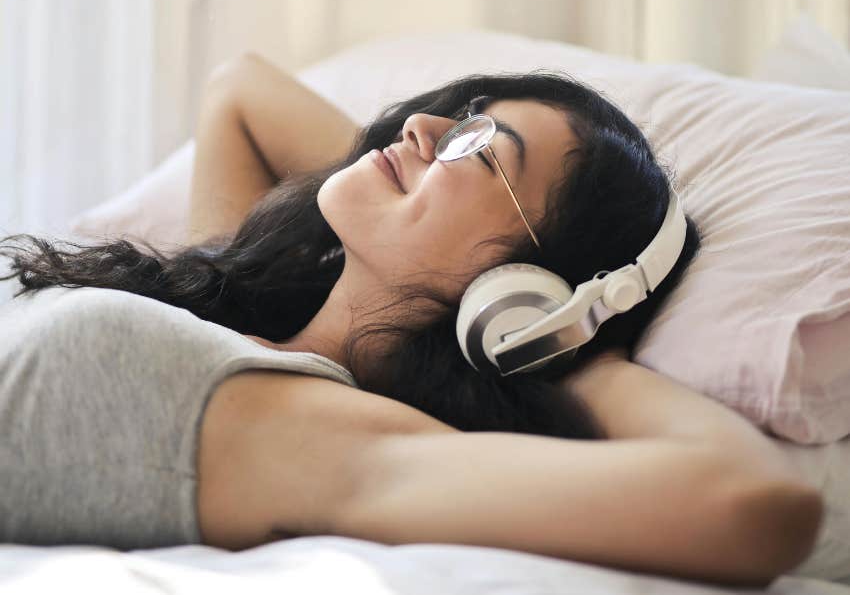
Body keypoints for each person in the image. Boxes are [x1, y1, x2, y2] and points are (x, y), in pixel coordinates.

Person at [0, 52, 823, 586]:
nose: (421, 129)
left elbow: (756, 504)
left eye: (481, 150)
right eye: (459, 115)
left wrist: (558, 334)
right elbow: (239, 90)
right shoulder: (238, 305)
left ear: (528, 286)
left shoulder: (320, 439)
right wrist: (430, 174)